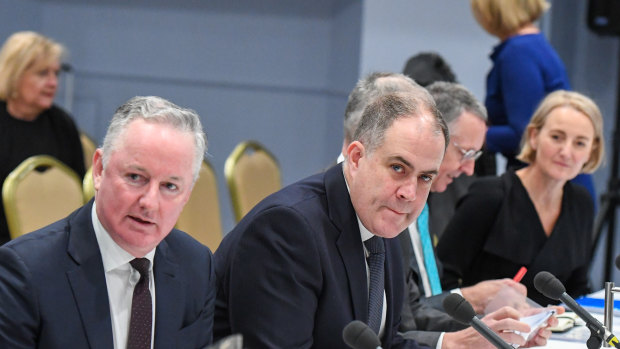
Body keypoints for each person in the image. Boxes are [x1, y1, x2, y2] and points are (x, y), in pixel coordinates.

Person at [216, 88, 449, 348]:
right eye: (398, 168)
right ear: (357, 157)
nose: (409, 193)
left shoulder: (386, 223)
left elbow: (388, 342)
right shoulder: (286, 230)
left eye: (425, 177)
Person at [0, 96, 215, 348]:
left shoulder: (197, 266)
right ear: (99, 170)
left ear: (187, 194)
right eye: (136, 177)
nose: (150, 202)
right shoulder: (26, 272)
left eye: (170, 186)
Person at [398, 82, 552, 348]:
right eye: (465, 153)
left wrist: (493, 327)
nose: (470, 169)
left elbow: (418, 311)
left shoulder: (426, 203)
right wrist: (468, 297)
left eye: (476, 155)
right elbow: (398, 322)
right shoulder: (394, 205)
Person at [437, 90, 605, 306]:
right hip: (480, 330)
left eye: (580, 143)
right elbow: (441, 282)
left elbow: (577, 288)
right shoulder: (488, 196)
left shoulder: (581, 203)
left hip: (554, 333)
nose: (566, 152)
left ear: (592, 151)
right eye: (556, 137)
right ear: (534, 136)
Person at [470, 0, 597, 203]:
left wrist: (472, 135)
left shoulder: (518, 53)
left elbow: (523, 133)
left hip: (549, 190)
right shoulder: (532, 44)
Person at [0, 31, 85, 245]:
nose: (53, 83)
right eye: (42, 74)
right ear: (15, 74)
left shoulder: (62, 124)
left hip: (53, 245)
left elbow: (78, 197)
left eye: (56, 74)